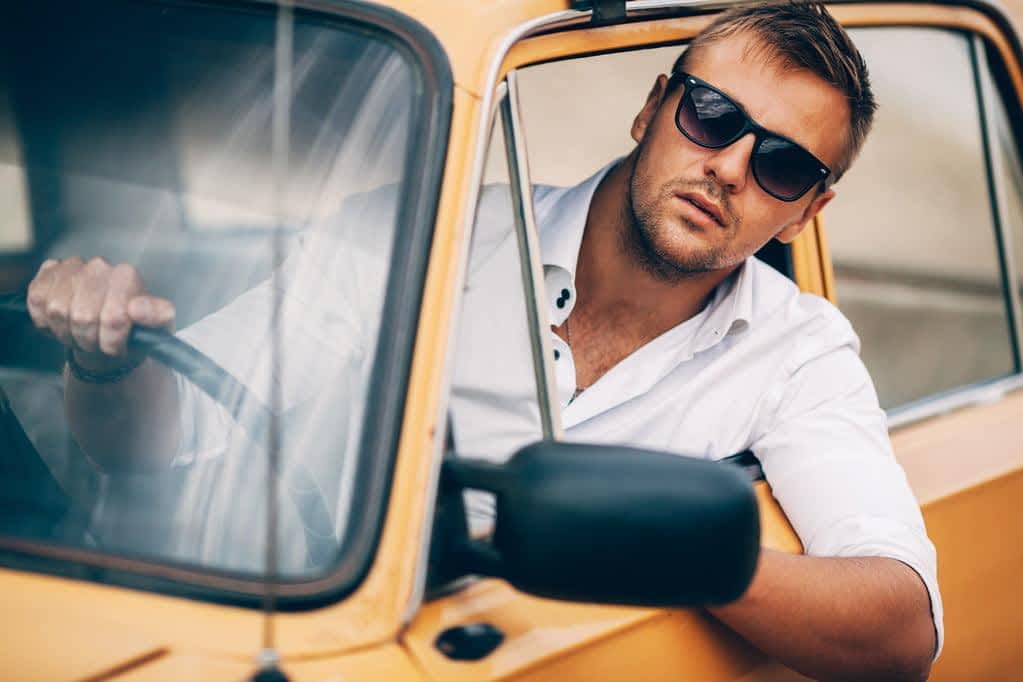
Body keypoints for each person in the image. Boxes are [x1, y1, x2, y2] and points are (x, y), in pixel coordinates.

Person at [25, 2, 940, 679]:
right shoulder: (409, 234)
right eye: (710, 116)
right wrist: (103, 359)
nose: (730, 167)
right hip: (313, 633)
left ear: (807, 211)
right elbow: (166, 435)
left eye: (782, 164)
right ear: (652, 107)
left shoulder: (799, 350)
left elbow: (899, 629)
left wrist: (671, 552)